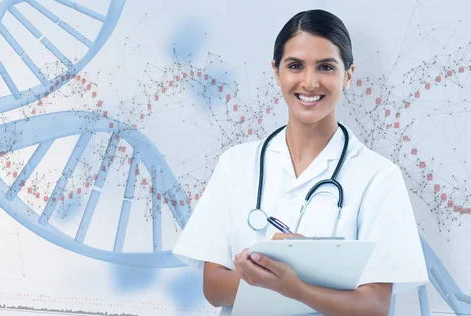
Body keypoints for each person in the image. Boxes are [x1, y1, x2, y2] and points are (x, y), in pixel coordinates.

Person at [172, 9, 428, 315]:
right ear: (276, 71)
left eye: (325, 67)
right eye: (295, 66)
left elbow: (374, 306)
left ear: (348, 75)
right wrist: (292, 272)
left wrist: (294, 285)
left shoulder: (379, 176)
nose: (309, 82)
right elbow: (214, 288)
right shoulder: (235, 165)